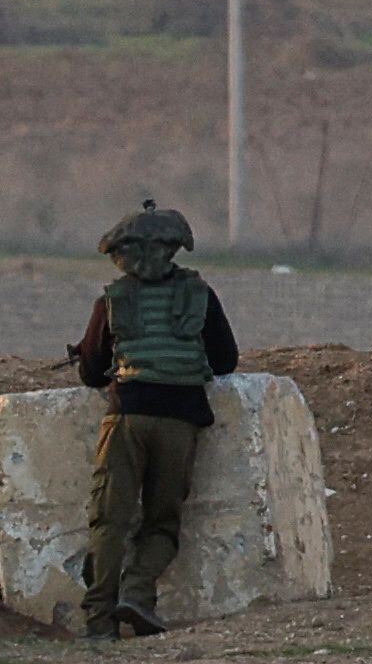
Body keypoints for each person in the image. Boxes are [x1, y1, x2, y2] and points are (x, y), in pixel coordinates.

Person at [64, 200, 241, 639]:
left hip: (127, 417)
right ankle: (138, 594)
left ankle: (100, 622)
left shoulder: (112, 300)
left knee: (110, 521)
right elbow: (225, 361)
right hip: (180, 421)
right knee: (162, 523)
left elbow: (91, 371)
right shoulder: (200, 295)